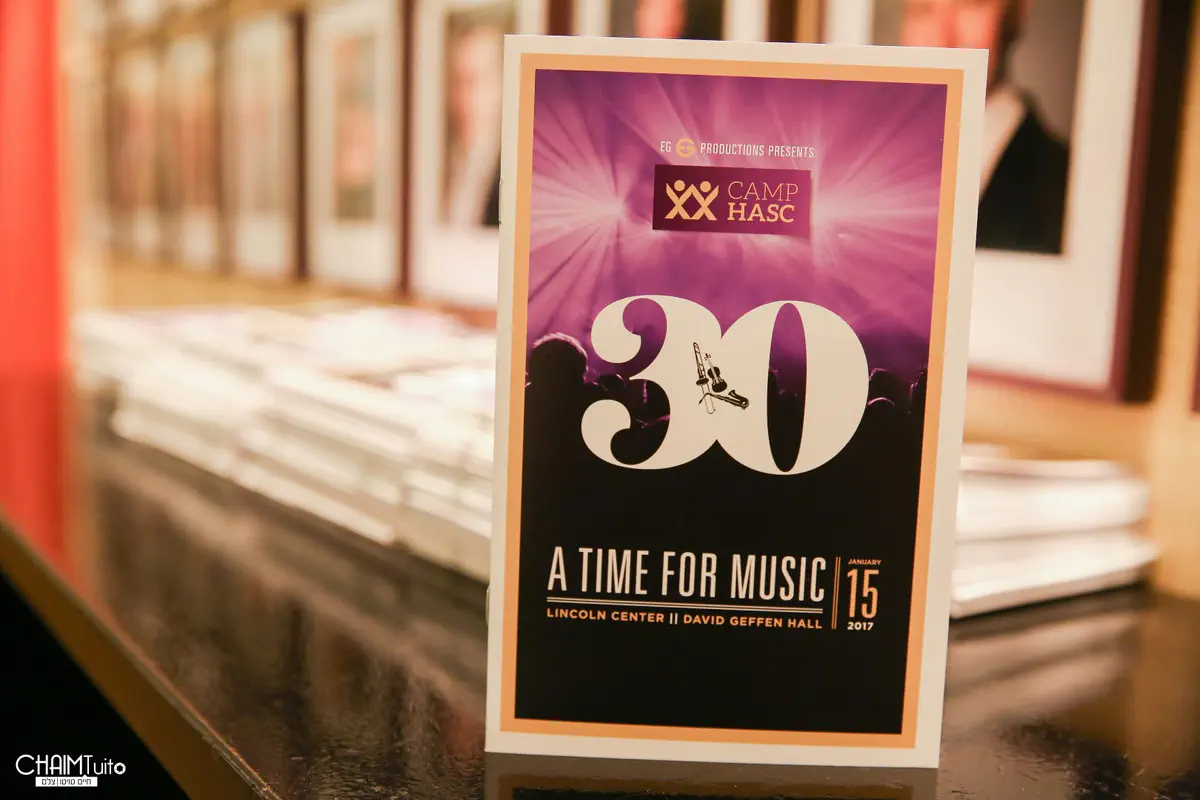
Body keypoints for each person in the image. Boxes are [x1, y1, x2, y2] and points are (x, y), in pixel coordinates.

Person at [900, 0, 1069, 254]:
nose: (942, 41)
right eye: (923, 9)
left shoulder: (1065, 188)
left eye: (971, 5)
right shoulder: (872, 173)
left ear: (1019, 11)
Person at [444, 18, 505, 228]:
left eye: (477, 81)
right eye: (457, 81)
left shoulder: (515, 169)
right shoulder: (436, 161)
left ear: (502, 84)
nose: (465, 97)